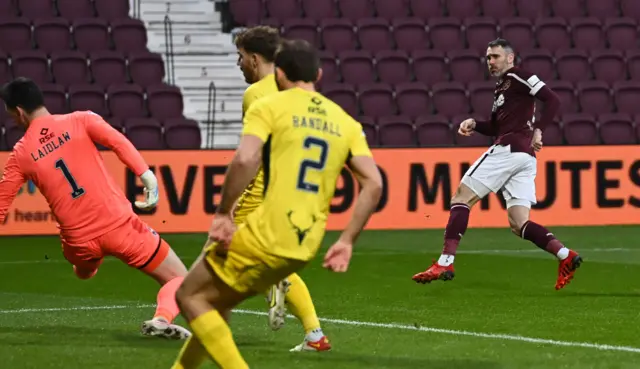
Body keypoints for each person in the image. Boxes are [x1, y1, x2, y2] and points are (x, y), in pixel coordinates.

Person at [170, 39, 382, 369]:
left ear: (279, 75)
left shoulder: (267, 105)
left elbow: (245, 159)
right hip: (305, 244)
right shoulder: (346, 123)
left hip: (264, 233)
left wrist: (224, 213)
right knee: (214, 306)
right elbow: (375, 183)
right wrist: (346, 240)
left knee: (189, 296)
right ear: (319, 75)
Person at [0, 77, 191, 339]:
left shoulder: (20, 154)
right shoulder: (82, 120)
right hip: (120, 228)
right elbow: (118, 142)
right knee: (181, 279)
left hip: (78, 242)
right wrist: (146, 176)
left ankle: (87, 266)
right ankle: (161, 318)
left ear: (19, 111)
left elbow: (1, 205)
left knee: (85, 271)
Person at [412, 38, 583, 290]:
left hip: (510, 149)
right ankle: (565, 255)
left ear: (510, 58)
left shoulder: (518, 76)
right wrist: (474, 123)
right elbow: (494, 127)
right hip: (524, 158)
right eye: (488, 57)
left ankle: (445, 262)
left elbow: (553, 99)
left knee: (461, 198)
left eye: (495, 56)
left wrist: (539, 130)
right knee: (518, 223)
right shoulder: (502, 88)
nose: (490, 61)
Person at [233, 25, 330, 352]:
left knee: (228, 251)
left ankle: (272, 283)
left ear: (255, 59)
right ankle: (314, 334)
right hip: (302, 188)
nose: (239, 64)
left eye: (241, 57)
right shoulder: (298, 88)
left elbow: (253, 154)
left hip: (265, 188)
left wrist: (232, 198)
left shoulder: (256, 93)